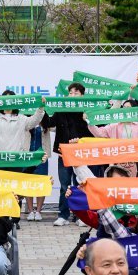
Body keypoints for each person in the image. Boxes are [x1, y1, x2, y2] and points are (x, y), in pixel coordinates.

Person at [45, 83, 90, 226]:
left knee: (80, 184)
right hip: (63, 152)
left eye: (76, 93)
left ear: (82, 95)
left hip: (81, 153)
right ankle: (63, 215)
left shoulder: (86, 110)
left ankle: (81, 216)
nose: (72, 95)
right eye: (70, 93)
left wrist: (88, 119)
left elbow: (95, 129)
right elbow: (49, 123)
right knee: (64, 185)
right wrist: (43, 109)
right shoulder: (61, 109)